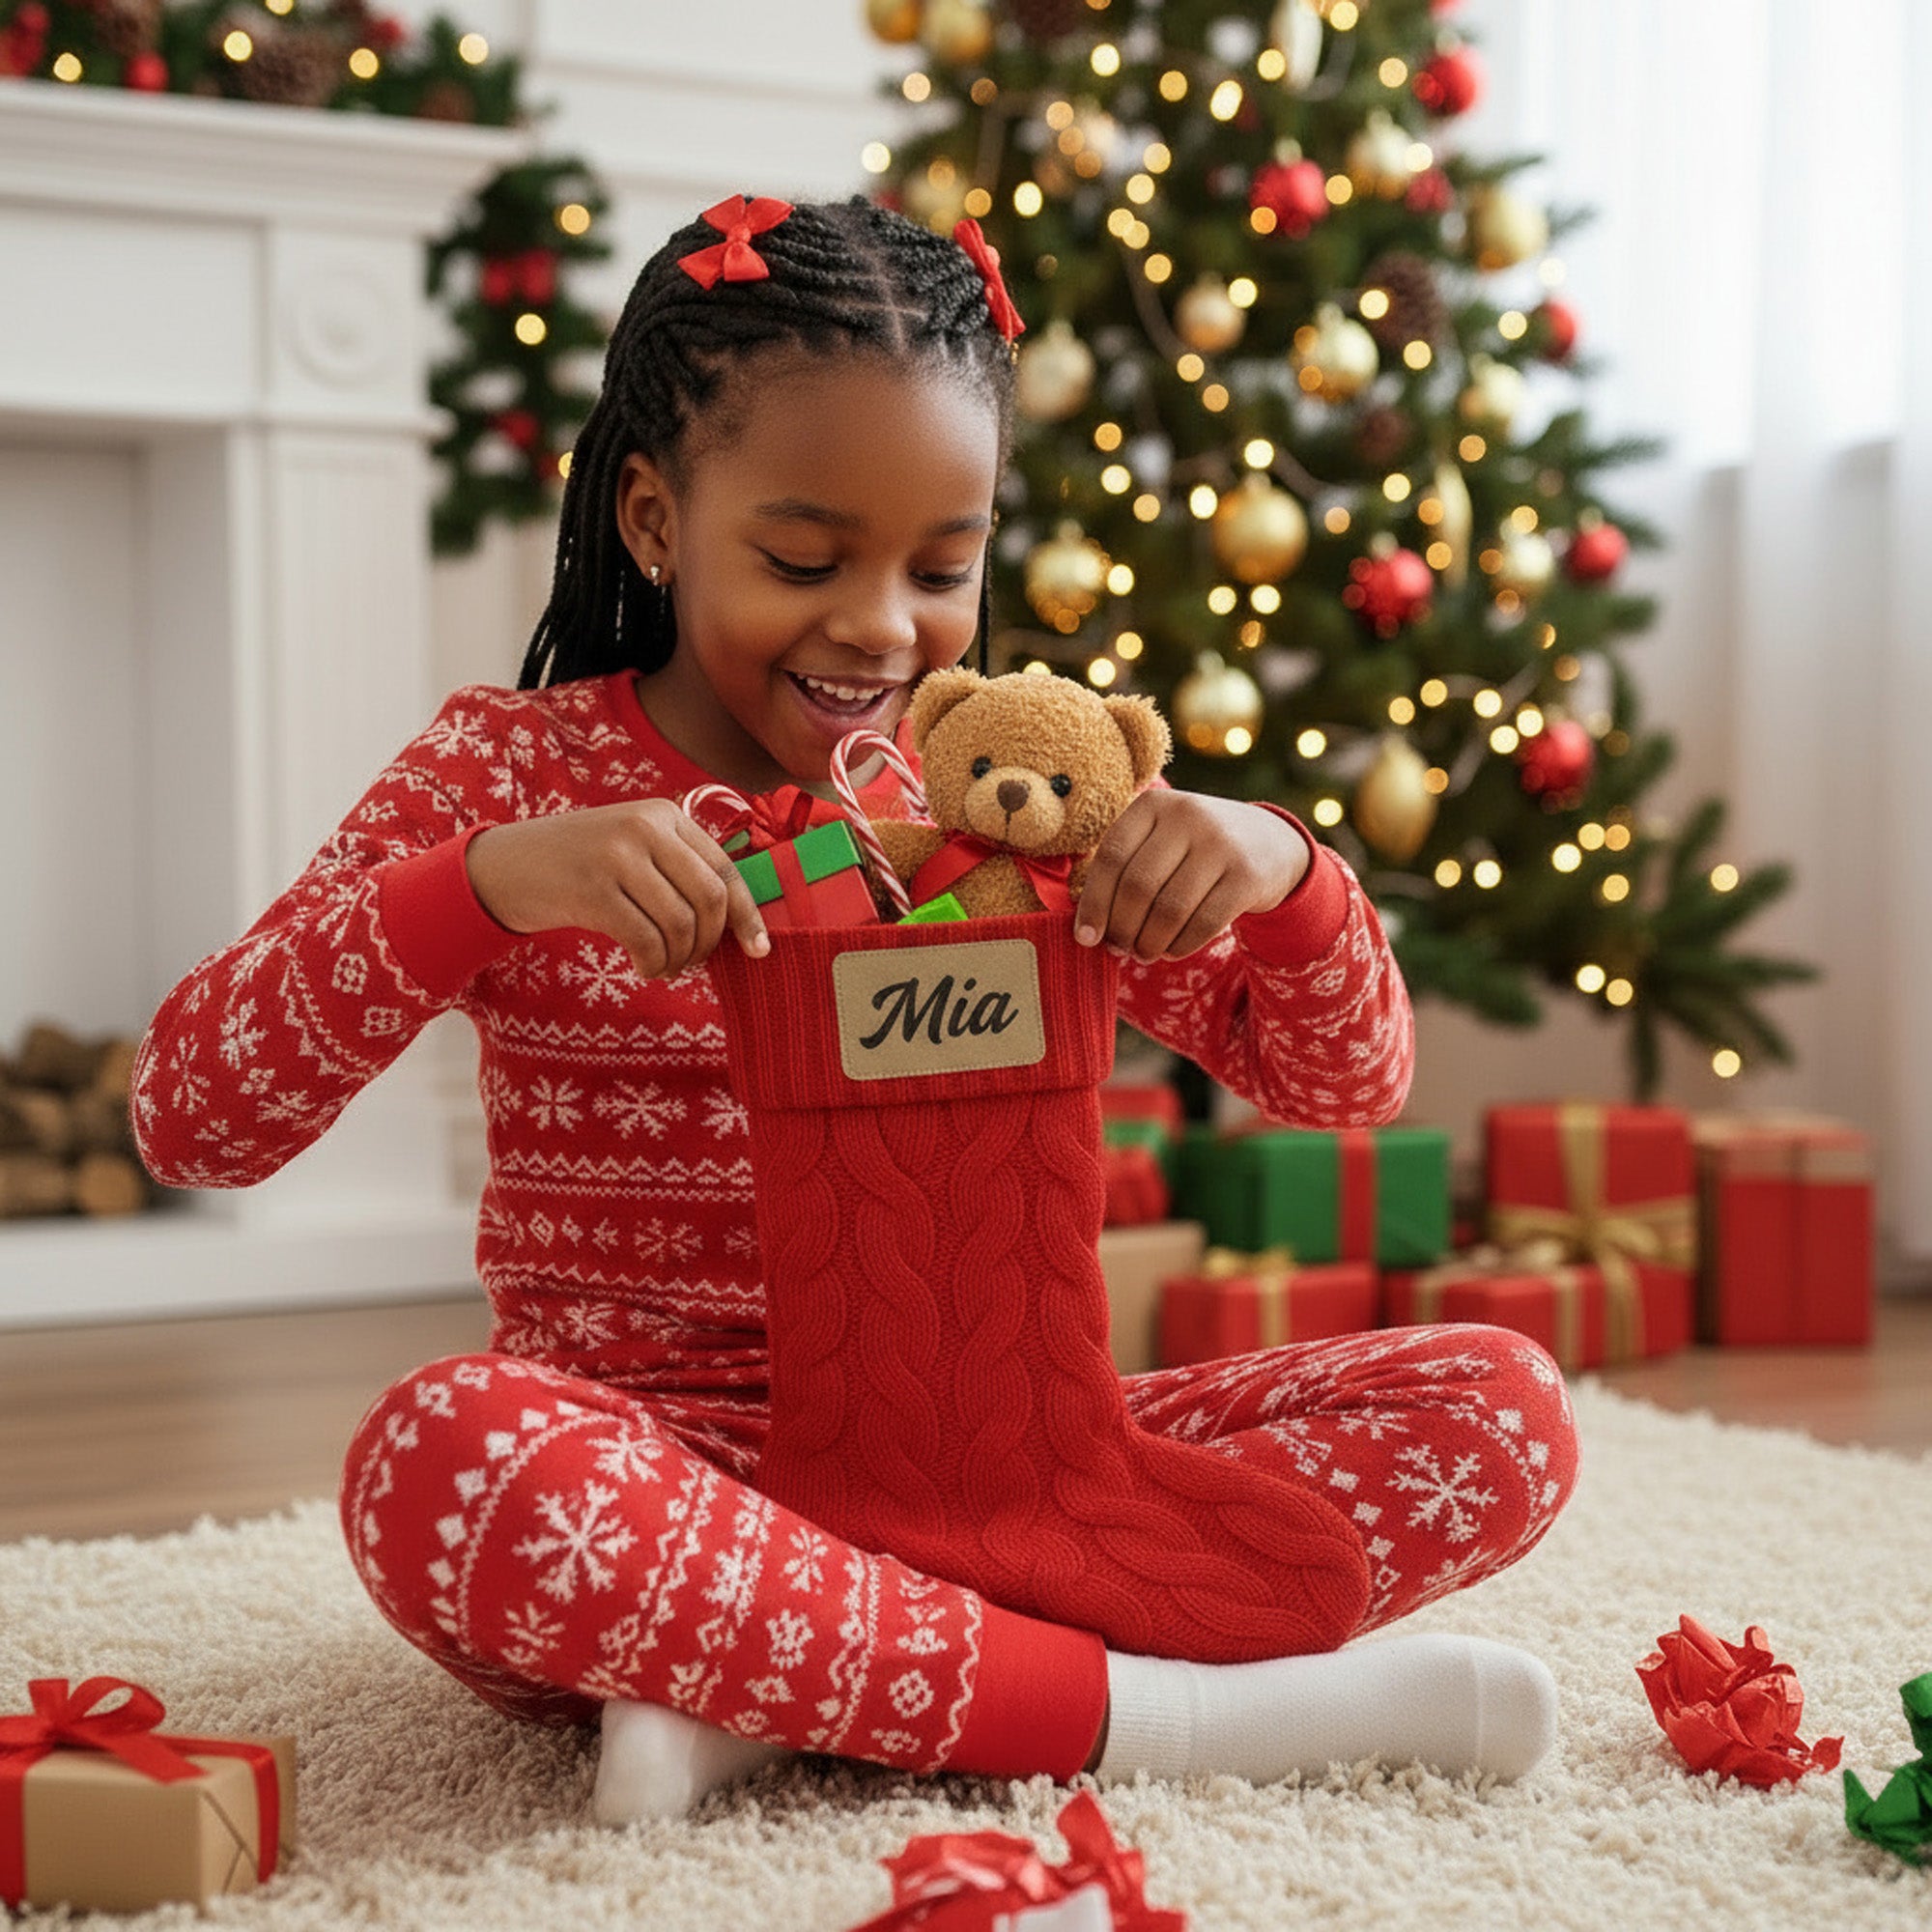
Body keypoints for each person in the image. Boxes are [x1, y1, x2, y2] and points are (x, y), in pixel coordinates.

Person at [132, 194, 1578, 1825]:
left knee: (1502, 1408)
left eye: (943, 566)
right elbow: (192, 1115)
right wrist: (483, 882)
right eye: (803, 558)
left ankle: (770, 1690)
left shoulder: (1015, 803)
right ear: (657, 519)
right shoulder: (509, 776)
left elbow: (1352, 1080)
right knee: (442, 1459)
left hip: (1012, 1468)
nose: (882, 625)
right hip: (666, 1476)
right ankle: (1166, 1716)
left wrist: (1282, 869)